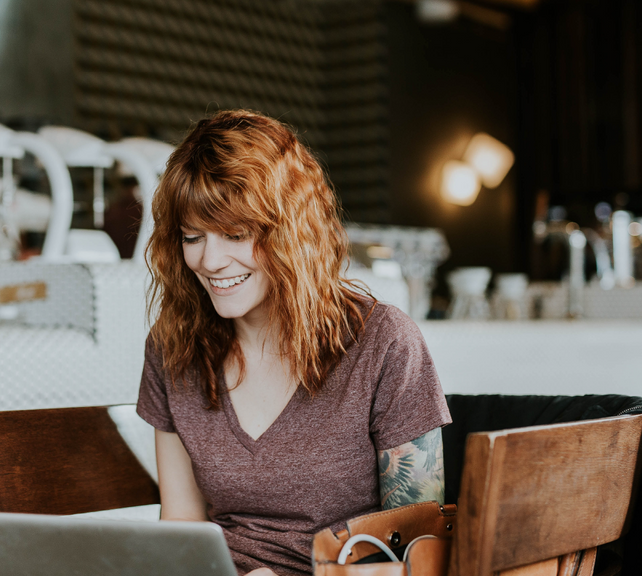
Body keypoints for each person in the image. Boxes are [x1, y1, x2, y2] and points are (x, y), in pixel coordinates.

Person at [135, 110, 451, 576]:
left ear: (290, 232)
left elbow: (422, 556)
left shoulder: (383, 343)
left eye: (236, 234)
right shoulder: (173, 348)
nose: (210, 260)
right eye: (192, 236)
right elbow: (180, 529)